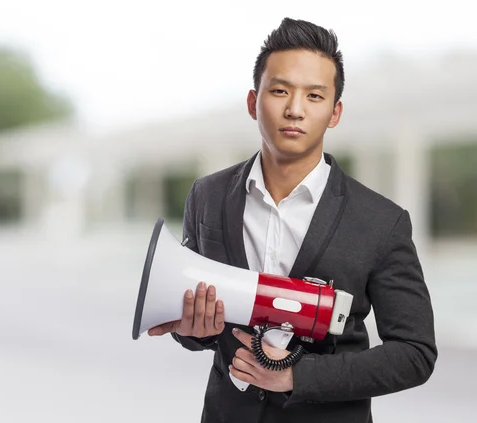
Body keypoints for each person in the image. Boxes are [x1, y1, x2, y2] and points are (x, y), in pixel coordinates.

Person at [147, 17, 437, 423]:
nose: (295, 109)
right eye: (280, 90)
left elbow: (415, 353)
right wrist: (191, 330)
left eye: (314, 96)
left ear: (335, 112)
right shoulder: (208, 196)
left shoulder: (381, 221)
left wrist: (298, 377)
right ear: (253, 102)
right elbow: (202, 329)